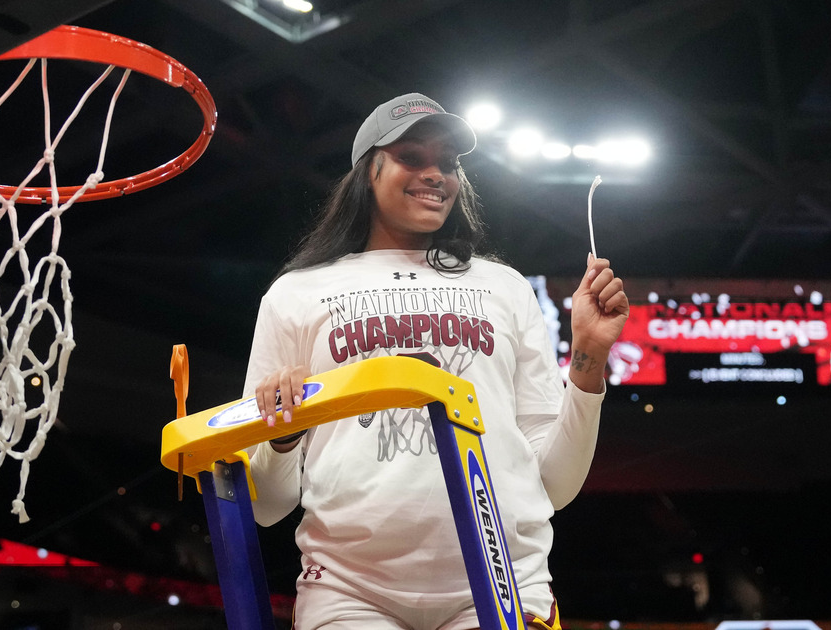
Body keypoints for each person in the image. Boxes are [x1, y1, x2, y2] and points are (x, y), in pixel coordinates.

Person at [244, 93, 629, 630]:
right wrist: (282, 437)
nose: (436, 174)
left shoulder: (505, 287)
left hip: (504, 583)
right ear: (368, 169)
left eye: (448, 162)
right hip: (349, 590)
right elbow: (265, 506)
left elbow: (556, 486)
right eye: (412, 157)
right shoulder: (296, 294)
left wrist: (590, 354)